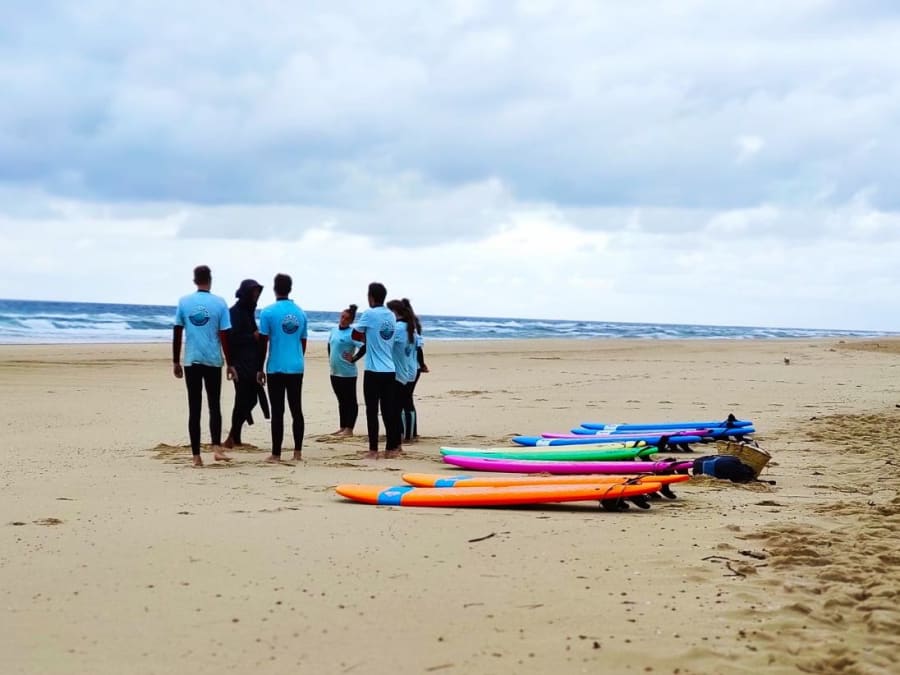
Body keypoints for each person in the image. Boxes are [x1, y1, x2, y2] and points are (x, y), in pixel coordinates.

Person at [172, 265, 237, 467]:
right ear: (210, 279)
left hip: (191, 360)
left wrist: (175, 360)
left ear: (194, 280)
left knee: (194, 407)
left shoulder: (184, 302)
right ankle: (216, 448)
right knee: (214, 405)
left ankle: (196, 457)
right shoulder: (219, 303)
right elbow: (225, 335)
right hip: (213, 360)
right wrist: (230, 363)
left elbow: (177, 331)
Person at [256, 273, 308, 463]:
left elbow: (263, 343)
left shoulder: (268, 312)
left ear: (274, 288)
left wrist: (260, 368)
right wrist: (296, 357)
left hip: (276, 366)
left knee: (278, 411)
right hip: (296, 366)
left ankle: (276, 454)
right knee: (296, 409)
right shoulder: (300, 313)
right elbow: (303, 342)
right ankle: (297, 453)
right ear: (290, 288)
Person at [350, 282, 400, 459]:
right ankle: (391, 448)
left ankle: (373, 450)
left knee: (372, 411)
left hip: (373, 370)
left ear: (370, 297)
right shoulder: (391, 316)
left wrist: (367, 336)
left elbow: (354, 334)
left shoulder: (369, 314)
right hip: (389, 369)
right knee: (388, 410)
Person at [224, 279, 264, 448]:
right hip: (240, 362)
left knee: (250, 399)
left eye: (257, 292)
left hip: (251, 361)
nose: (256, 296)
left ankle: (235, 437)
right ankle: (232, 438)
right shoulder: (235, 312)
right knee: (243, 399)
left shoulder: (249, 311)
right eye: (253, 292)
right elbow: (230, 338)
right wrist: (252, 337)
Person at [386, 299, 419, 447]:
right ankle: (407, 434)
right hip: (408, 369)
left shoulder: (399, 328)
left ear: (395, 312)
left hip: (399, 371)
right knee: (404, 402)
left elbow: (386, 343)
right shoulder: (410, 327)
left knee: (398, 404)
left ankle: (402, 435)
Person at [327, 303, 364, 435]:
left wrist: (353, 358)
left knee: (350, 401)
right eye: (342, 317)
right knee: (341, 400)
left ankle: (349, 428)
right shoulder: (333, 330)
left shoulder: (353, 333)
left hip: (348, 373)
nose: (343, 320)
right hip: (334, 372)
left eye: (346, 318)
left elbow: (364, 347)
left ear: (351, 321)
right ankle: (342, 427)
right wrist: (330, 360)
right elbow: (330, 345)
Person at [402, 298, 428, 440]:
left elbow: (418, 348)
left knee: (405, 399)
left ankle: (408, 434)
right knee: (407, 398)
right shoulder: (414, 324)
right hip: (414, 367)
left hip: (410, 367)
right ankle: (411, 431)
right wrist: (422, 365)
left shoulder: (409, 327)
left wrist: (421, 364)